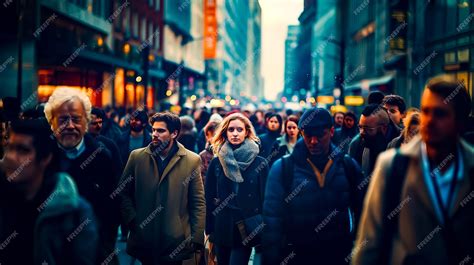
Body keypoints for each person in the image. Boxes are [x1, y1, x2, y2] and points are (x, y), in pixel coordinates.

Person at [353, 75, 474, 265]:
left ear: (460, 120)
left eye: (440, 113)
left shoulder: (470, 169)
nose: (430, 121)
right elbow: (369, 244)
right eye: (426, 111)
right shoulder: (392, 167)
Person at [262, 108, 365, 265]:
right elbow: (272, 222)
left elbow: (364, 213)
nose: (313, 141)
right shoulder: (282, 169)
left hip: (338, 255)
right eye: (308, 136)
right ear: (302, 133)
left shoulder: (347, 166)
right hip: (296, 256)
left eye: (320, 136)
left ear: (331, 132)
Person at [0, 118, 98, 265]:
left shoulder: (73, 212)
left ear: (45, 158)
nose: (11, 157)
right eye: (10, 148)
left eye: (23, 150)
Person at [44, 87, 119, 264]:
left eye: (76, 119)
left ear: (85, 122)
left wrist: (105, 245)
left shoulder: (102, 157)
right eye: (63, 119)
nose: (70, 125)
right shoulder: (41, 157)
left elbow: (112, 207)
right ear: (51, 122)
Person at [120, 112, 205, 265]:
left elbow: (197, 201)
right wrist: (133, 220)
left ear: (174, 133)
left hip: (175, 239)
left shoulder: (192, 160)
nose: (155, 134)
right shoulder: (137, 157)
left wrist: (197, 237)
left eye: (160, 131)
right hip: (144, 236)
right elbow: (123, 193)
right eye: (153, 130)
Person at [205, 113, 269, 265]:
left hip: (246, 226)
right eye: (231, 129)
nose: (235, 133)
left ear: (246, 132)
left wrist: (264, 226)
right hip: (222, 225)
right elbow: (209, 196)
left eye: (239, 129)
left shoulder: (260, 162)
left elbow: (265, 198)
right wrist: (209, 227)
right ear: (225, 132)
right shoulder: (216, 162)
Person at [356, 104, 401, 177]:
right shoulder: (358, 144)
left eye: (368, 129)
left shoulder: (403, 143)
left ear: (383, 128)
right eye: (360, 127)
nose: (362, 132)